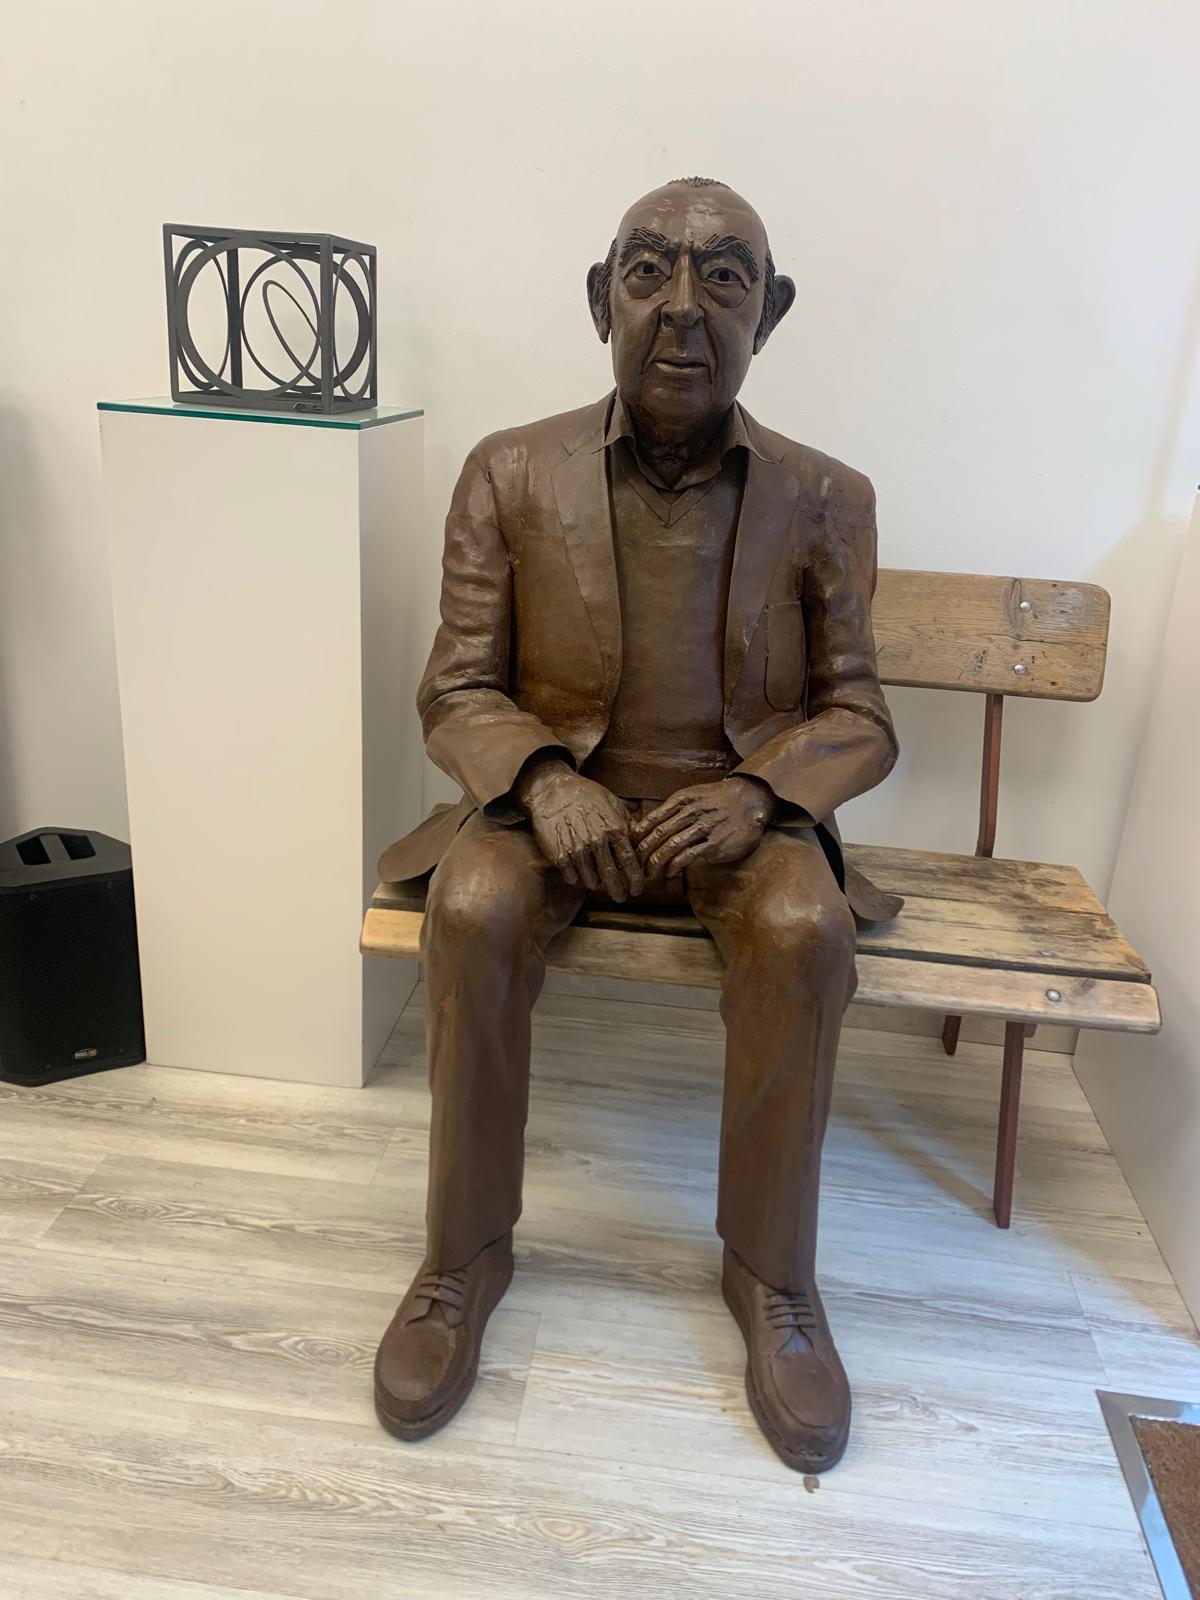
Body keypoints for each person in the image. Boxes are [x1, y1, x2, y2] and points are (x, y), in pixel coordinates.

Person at [374, 177, 900, 1472]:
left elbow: (859, 714)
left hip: (737, 819)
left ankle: (774, 1277)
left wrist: (762, 794)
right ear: (598, 297)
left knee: (804, 929)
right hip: (552, 804)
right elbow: (455, 685)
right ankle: (461, 1257)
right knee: (474, 905)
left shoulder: (826, 496)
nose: (680, 306)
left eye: (723, 277)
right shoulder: (509, 470)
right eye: (648, 269)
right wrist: (547, 780)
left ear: (771, 311)